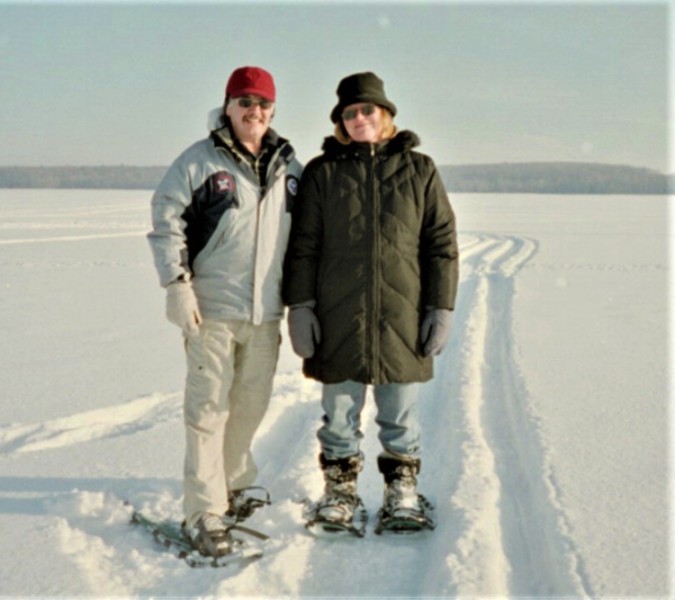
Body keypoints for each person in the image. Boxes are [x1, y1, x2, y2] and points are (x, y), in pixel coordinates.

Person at [283, 72, 458, 533]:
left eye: (367, 110)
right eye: (350, 113)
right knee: (339, 414)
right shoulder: (324, 171)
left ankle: (402, 492)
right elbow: (303, 246)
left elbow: (440, 243)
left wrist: (440, 307)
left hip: (402, 312)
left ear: (386, 115)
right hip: (337, 313)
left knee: (400, 413)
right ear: (341, 121)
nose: (359, 118)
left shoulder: (420, 170)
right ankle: (339, 492)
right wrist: (300, 305)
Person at [148, 66, 302, 556]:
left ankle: (232, 485)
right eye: (245, 102)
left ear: (272, 110)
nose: (254, 111)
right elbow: (166, 219)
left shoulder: (289, 166)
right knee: (208, 411)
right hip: (211, 310)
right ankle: (203, 511)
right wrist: (177, 286)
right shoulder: (199, 161)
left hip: (266, 314)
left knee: (251, 406)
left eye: (262, 103)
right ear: (228, 106)